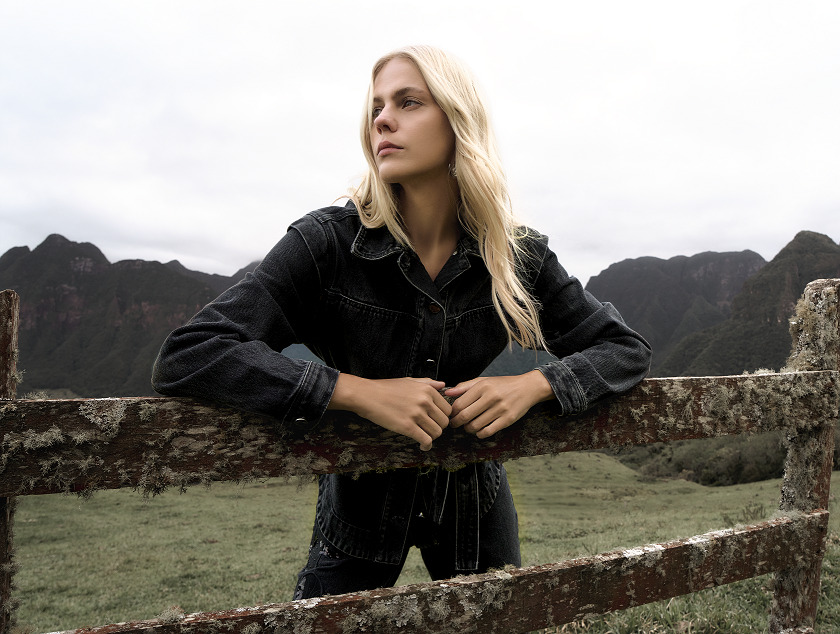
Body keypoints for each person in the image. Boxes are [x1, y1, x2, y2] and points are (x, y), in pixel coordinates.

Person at [151, 44, 651, 600]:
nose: (382, 120)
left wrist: (533, 386)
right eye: (376, 107)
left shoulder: (516, 254)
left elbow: (623, 347)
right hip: (356, 507)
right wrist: (357, 393)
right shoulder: (325, 244)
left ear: (458, 118)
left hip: (474, 504)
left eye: (408, 102)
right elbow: (191, 353)